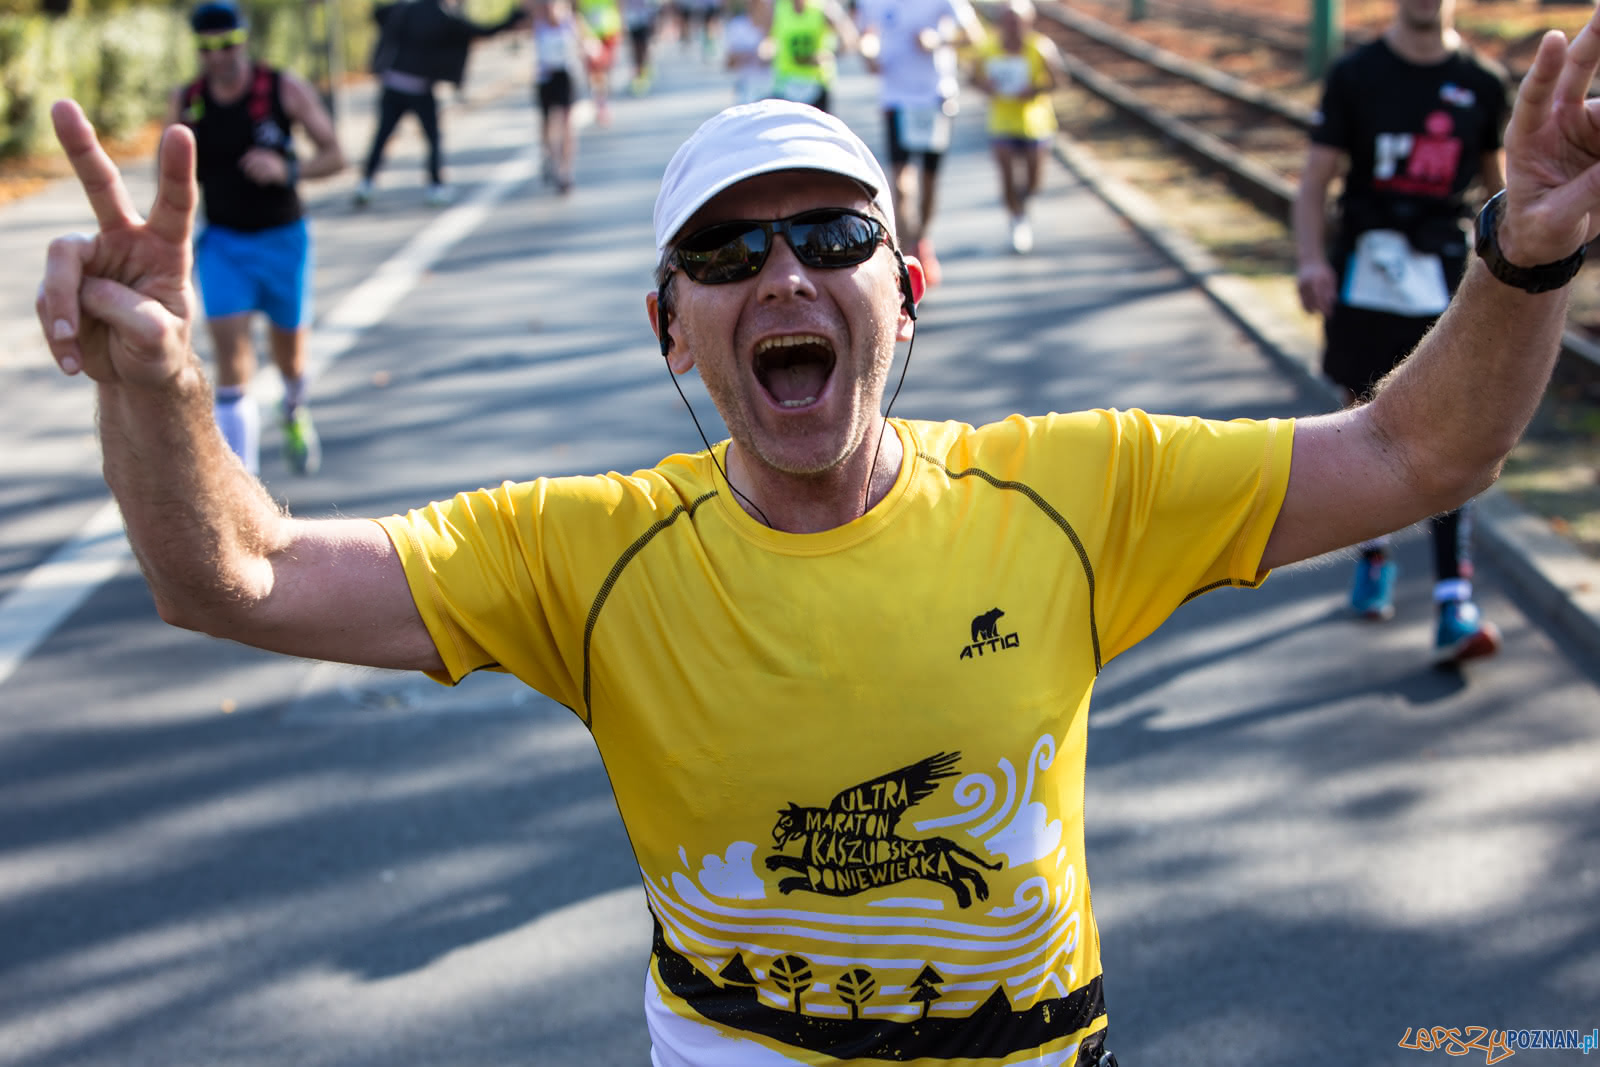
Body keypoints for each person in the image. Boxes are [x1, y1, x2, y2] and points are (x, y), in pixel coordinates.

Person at [36, 6, 1600, 1056]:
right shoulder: (585, 552)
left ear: (907, 292)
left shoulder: (1081, 487)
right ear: (672, 332)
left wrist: (1520, 261)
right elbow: (227, 573)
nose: (782, 276)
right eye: (726, 253)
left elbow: (1419, 447)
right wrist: (159, 381)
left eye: (834, 234)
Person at [1293, 0, 1511, 665]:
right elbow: (1314, 181)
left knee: (1455, 428)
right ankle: (1374, 550)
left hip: (1443, 276)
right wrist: (1310, 257)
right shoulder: (1357, 74)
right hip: (1365, 271)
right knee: (1363, 416)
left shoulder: (1483, 83)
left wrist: (1505, 287)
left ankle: (1453, 598)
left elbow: (1501, 196)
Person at [168, 1, 345, 477]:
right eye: (207, 47)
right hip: (223, 244)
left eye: (227, 43)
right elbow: (171, 180)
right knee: (231, 354)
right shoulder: (187, 101)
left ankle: (293, 408)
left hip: (283, 239)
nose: (218, 55)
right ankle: (241, 480)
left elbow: (335, 155)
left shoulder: (281, 88)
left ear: (243, 40)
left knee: (290, 355)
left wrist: (286, 169)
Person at [856, 0, 986, 286]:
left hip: (934, 99)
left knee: (928, 181)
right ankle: (904, 256)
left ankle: (921, 238)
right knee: (901, 184)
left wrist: (938, 40)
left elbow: (973, 35)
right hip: (896, 98)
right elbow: (866, 33)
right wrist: (868, 52)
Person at [354, 0, 523, 207]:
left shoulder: (405, 9)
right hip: (419, 89)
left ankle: (366, 183)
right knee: (432, 139)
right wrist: (513, 17)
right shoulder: (443, 17)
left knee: (382, 136)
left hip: (393, 84)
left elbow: (378, 14)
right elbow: (482, 31)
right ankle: (436, 187)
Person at [970, 0, 1065, 255]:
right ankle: (1017, 219)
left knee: (1034, 181)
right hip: (1002, 122)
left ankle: (1021, 206)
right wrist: (986, 87)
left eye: (1017, 22)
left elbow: (1059, 81)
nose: (1012, 27)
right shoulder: (988, 48)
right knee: (1008, 175)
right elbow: (972, 78)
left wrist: (1034, 90)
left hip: (1036, 123)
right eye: (1008, 21)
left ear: (1028, 22)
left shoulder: (1042, 47)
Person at [530, 0, 592, 192]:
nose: (551, 9)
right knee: (547, 122)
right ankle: (548, 155)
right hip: (545, 78)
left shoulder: (572, 23)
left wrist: (588, 53)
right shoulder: (537, 22)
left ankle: (565, 170)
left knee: (566, 124)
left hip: (565, 77)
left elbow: (587, 46)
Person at [765, 0, 857, 114]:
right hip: (786, 84)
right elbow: (766, 38)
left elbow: (849, 38)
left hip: (816, 85)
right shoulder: (778, 8)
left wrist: (830, 54)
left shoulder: (823, 8)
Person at [576, 0, 624, 125]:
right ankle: (601, 104)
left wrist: (621, 27)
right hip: (590, 34)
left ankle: (603, 101)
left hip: (610, 31)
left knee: (605, 70)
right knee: (596, 72)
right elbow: (576, 10)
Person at [723, 0, 771, 104]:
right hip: (745, 91)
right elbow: (729, 63)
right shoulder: (737, 26)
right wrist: (749, 56)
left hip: (773, 92)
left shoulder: (776, 26)